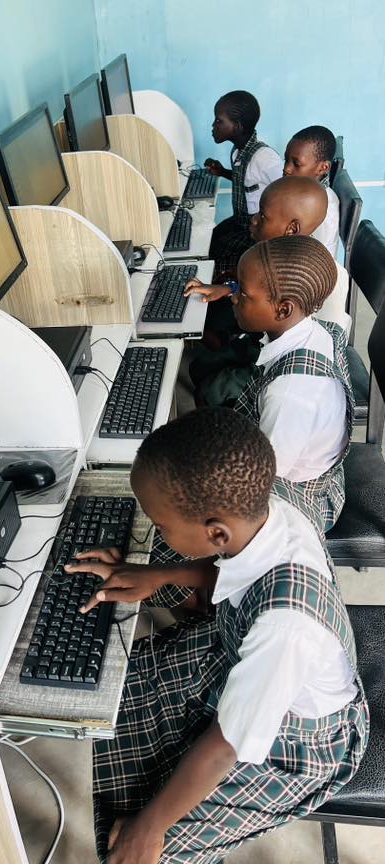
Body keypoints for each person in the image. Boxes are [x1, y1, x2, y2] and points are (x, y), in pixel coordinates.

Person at [65, 408, 368, 864]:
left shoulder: (284, 628)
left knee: (143, 839)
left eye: (163, 526)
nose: (159, 532)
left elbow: (224, 747)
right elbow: (228, 564)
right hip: (248, 662)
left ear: (215, 531)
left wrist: (148, 829)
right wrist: (159, 575)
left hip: (297, 744)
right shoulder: (268, 508)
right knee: (118, 687)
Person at [186, 178, 350, 408]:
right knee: (199, 366)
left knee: (210, 390)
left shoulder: (314, 274)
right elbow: (265, 290)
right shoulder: (271, 259)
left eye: (263, 216)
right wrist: (231, 288)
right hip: (261, 340)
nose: (253, 219)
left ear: (291, 228)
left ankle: (223, 429)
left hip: (276, 356)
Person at [231, 236, 353, 535]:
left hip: (298, 499)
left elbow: (262, 482)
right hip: (300, 465)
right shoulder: (314, 329)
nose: (233, 297)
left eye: (242, 293)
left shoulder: (291, 394)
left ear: (283, 310)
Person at [205, 90, 283, 273]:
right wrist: (223, 172)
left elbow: (287, 191)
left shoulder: (264, 158)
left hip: (255, 229)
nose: (213, 126)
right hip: (239, 222)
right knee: (211, 238)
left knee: (216, 257)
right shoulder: (238, 152)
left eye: (218, 121)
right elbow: (247, 181)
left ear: (237, 127)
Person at [283, 125, 340, 258]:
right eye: (286, 160)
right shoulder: (299, 191)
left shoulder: (325, 206)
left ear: (323, 168)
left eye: (296, 164)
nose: (287, 169)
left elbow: (320, 260)